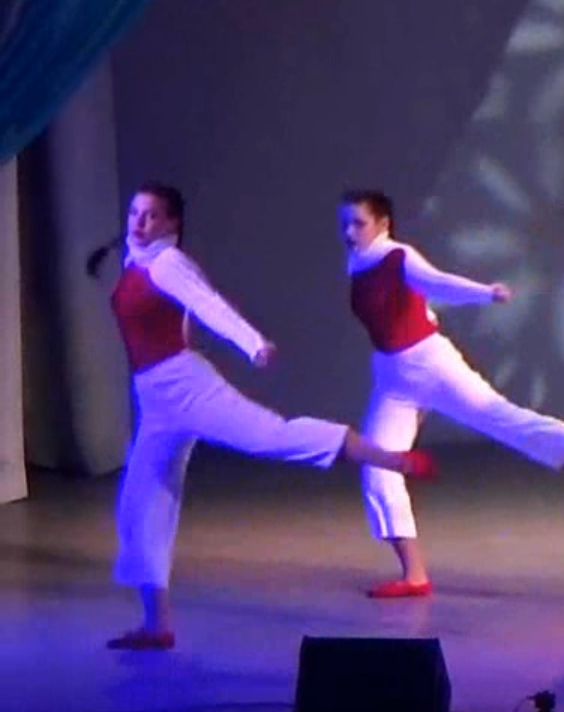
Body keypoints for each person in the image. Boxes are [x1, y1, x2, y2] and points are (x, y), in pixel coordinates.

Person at [91, 184, 434, 650]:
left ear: (172, 223)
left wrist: (252, 343)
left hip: (184, 386)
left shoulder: (167, 262)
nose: (139, 222)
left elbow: (208, 304)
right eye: (135, 212)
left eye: (151, 215)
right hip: (155, 399)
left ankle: (386, 457)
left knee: (270, 436)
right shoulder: (139, 260)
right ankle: (156, 625)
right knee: (142, 502)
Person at [338, 189, 564, 598]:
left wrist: (485, 293)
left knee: (506, 420)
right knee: (378, 467)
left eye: (358, 223)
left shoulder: (399, 256)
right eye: (344, 224)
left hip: (430, 363)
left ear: (382, 224)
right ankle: (414, 575)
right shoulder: (356, 262)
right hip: (392, 377)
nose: (348, 232)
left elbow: (437, 284)